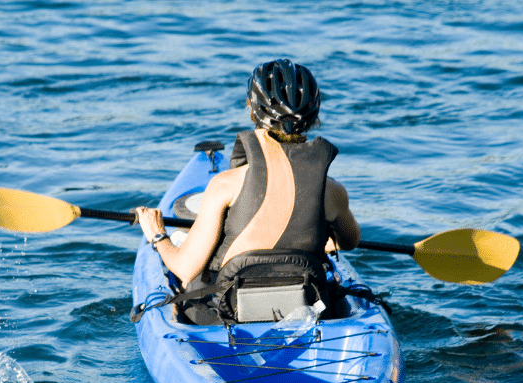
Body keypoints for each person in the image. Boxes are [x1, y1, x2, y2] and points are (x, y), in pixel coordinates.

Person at [135, 59, 360, 321]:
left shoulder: (225, 184)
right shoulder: (332, 191)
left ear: (252, 111)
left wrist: (156, 235)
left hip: (228, 313)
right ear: (314, 117)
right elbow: (350, 241)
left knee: (186, 277)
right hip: (307, 310)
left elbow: (185, 268)